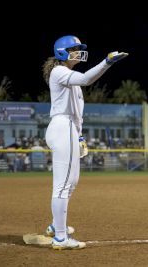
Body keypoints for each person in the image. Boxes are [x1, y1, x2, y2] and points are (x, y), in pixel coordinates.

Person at [42, 35, 128, 250]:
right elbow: (87, 79)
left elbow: (77, 114)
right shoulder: (59, 71)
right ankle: (60, 237)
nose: (78, 51)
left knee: (72, 182)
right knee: (62, 186)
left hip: (69, 129)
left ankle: (55, 226)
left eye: (79, 48)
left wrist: (80, 137)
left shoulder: (68, 75)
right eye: (74, 49)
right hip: (62, 127)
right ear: (62, 52)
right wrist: (107, 62)